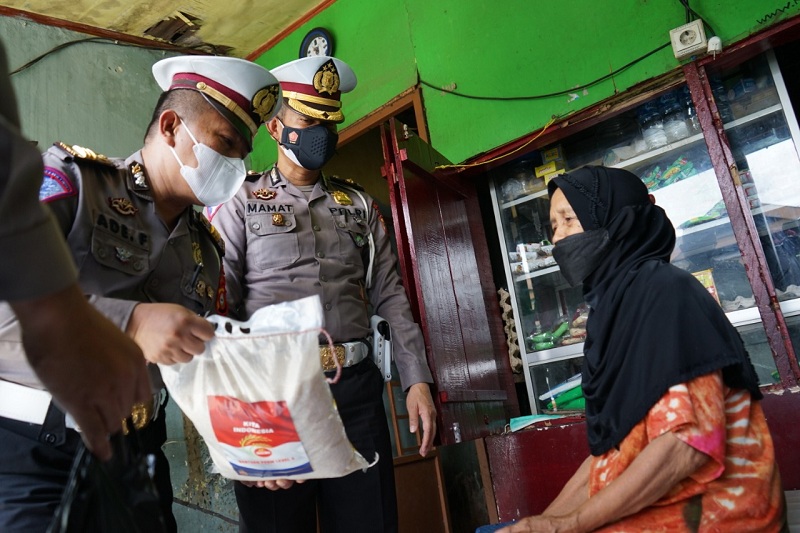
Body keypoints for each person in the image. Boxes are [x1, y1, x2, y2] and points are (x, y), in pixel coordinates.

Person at [0, 54, 281, 532]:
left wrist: (250, 439)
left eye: (243, 153)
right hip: (34, 451)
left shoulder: (205, 252)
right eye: (226, 143)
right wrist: (129, 321)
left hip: (136, 456)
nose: (237, 164)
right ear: (171, 125)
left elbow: (202, 366)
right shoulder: (76, 182)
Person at [213, 55, 437, 533]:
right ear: (275, 128)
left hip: (354, 390)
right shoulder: (240, 203)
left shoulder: (359, 206)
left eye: (329, 123)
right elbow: (221, 307)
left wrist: (417, 380)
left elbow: (391, 296)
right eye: (308, 121)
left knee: (369, 522)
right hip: (273, 393)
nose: (322, 133)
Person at [498, 166, 785, 532]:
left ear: (617, 221)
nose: (558, 239)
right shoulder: (612, 316)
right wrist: (541, 523)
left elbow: (687, 445)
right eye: (553, 226)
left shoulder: (665, 293)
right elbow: (610, 455)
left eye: (569, 219)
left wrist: (564, 527)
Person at [0, 38, 151, 462]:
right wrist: (130, 322)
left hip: (133, 446)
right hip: (37, 436)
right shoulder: (78, 181)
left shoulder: (197, 238)